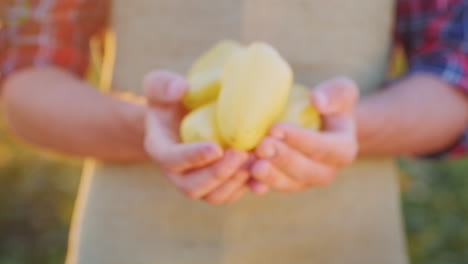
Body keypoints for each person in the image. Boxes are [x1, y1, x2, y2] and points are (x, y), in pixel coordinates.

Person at [0, 0, 467, 263]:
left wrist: (348, 131)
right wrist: (144, 127)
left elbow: (456, 77)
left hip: (350, 243)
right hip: (133, 241)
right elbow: (27, 76)